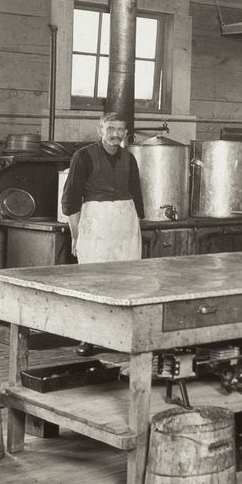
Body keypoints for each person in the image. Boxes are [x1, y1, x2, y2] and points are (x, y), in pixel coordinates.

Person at [61, 111, 145, 354]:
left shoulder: (129, 159)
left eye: (120, 129)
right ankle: (88, 337)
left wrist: (137, 227)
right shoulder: (83, 156)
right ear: (100, 130)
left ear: (126, 133)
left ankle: (121, 337)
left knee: (126, 281)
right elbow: (71, 201)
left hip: (125, 223)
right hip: (95, 223)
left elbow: (137, 198)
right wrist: (76, 235)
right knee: (93, 281)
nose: (115, 134)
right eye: (110, 129)